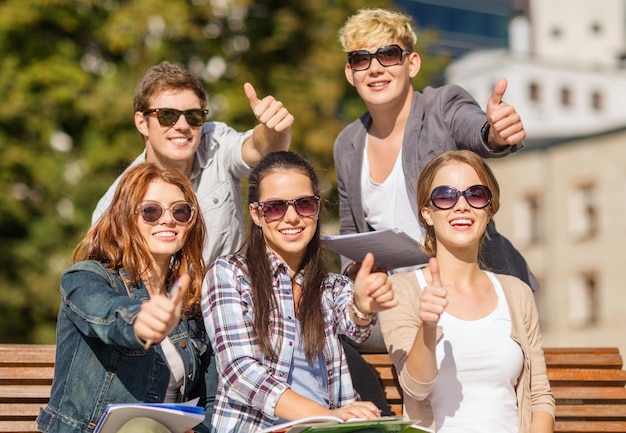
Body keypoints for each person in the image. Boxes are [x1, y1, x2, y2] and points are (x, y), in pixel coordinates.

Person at [335, 8, 538, 292]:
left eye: (389, 55)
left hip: (479, 289)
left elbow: (475, 129)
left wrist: (495, 134)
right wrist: (355, 272)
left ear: (412, 64)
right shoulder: (347, 143)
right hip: (405, 298)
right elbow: (351, 231)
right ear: (350, 72)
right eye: (361, 59)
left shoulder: (442, 105)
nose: (375, 68)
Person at [201, 151, 398, 432]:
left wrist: (363, 307)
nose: (292, 217)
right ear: (257, 214)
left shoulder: (331, 285)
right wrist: (330, 417)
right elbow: (240, 373)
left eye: (304, 204)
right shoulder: (228, 274)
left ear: (316, 208)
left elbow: (355, 326)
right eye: (275, 207)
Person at [378, 150, 555, 432]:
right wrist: (428, 326)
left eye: (475, 194)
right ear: (427, 214)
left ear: (489, 209)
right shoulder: (401, 292)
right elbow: (415, 388)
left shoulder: (517, 292)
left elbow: (540, 397)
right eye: (446, 196)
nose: (461, 206)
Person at [37, 163, 214, 433]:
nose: (168, 220)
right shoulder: (85, 278)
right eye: (151, 211)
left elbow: (208, 402)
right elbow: (107, 313)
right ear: (125, 218)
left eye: (180, 211)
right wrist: (142, 321)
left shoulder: (190, 306)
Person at [92, 60, 293, 265]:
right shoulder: (113, 205)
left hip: (230, 294)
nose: (182, 126)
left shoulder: (215, 141)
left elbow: (258, 149)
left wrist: (274, 129)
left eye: (193, 116)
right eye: (168, 116)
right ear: (142, 123)